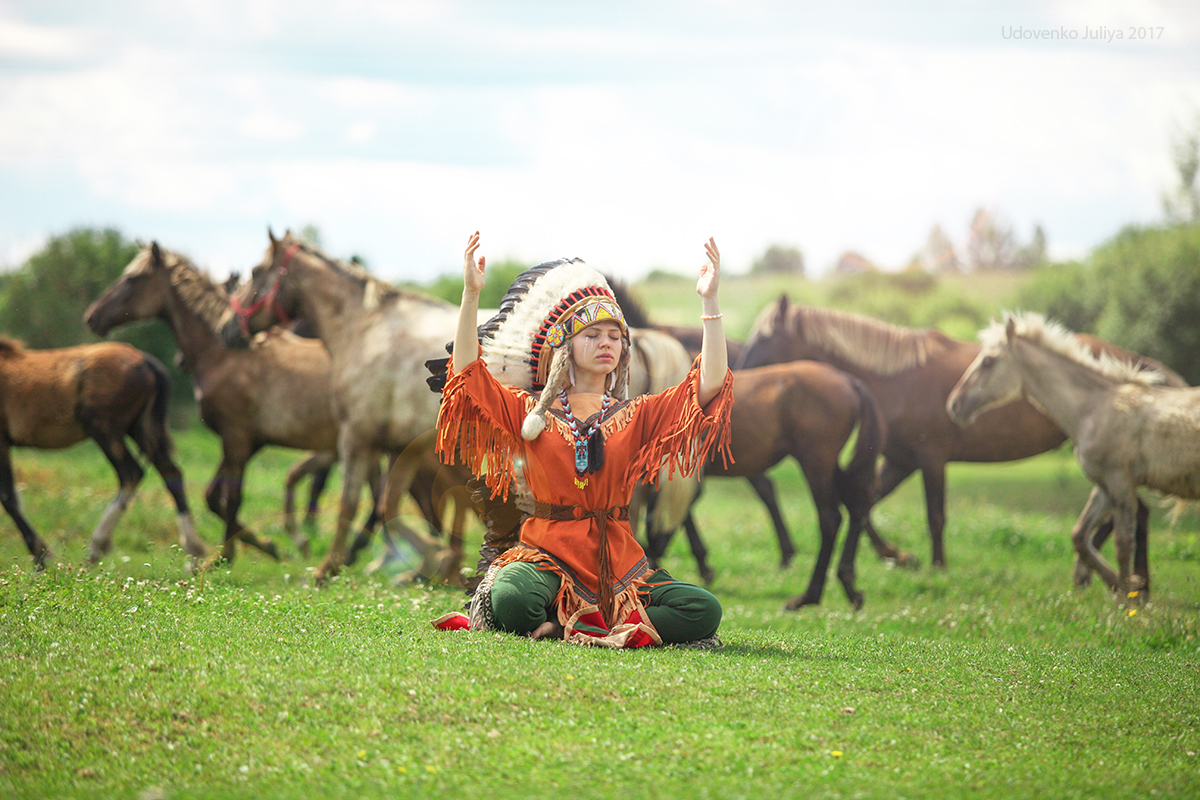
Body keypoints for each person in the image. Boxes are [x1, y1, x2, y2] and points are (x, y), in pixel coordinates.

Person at [432, 232, 734, 648]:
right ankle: (593, 623)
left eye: (614, 336)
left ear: (624, 351)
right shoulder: (530, 411)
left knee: (703, 609)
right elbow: (467, 375)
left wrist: (710, 301)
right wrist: (470, 294)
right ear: (565, 347)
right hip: (544, 557)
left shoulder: (638, 415)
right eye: (592, 335)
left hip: (620, 567)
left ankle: (572, 627)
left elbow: (710, 384)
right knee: (511, 599)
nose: (606, 343)